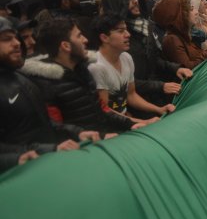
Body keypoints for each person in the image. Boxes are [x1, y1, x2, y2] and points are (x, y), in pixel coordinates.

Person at [0, 17, 104, 173]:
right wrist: (17, 158)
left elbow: (45, 123)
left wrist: (77, 132)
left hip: (48, 165)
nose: (16, 43)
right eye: (7, 39)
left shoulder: (22, 78)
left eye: (15, 37)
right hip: (18, 178)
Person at [21, 18, 143, 134]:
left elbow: (102, 110)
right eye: (79, 36)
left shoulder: (82, 69)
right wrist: (99, 136)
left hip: (105, 136)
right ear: (66, 46)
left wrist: (132, 123)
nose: (85, 40)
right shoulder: (45, 84)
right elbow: (56, 129)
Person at [99, 0, 187, 117]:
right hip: (135, 108)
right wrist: (160, 86)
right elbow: (127, 84)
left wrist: (176, 68)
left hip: (154, 98)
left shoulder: (145, 26)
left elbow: (152, 58)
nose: (135, 1)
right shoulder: (113, 42)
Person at [88, 14, 175, 119]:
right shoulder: (97, 67)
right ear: (104, 37)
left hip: (125, 119)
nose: (128, 34)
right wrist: (140, 122)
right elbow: (105, 112)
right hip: (110, 126)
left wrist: (159, 109)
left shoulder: (126, 57)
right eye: (121, 31)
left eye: (126, 30)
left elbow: (131, 95)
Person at [153, 0, 207, 69]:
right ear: (179, 16)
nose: (196, 12)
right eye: (191, 9)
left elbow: (197, 56)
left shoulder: (183, 34)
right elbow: (188, 68)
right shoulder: (172, 39)